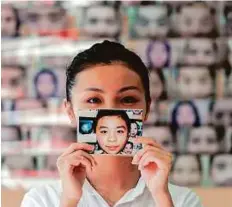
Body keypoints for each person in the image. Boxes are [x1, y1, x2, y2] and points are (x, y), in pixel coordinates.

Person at [21, 40, 202, 207]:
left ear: (147, 108)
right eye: (93, 100)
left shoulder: (181, 201)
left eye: (128, 99)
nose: (110, 113)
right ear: (70, 111)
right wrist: (69, 200)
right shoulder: (41, 200)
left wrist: (161, 197)